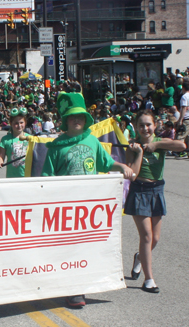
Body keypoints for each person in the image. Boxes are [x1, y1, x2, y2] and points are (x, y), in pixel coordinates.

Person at [41, 91, 135, 308]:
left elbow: (105, 163)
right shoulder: (56, 146)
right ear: (66, 120)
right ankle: (71, 288)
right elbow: (46, 177)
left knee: (85, 245)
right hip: (64, 205)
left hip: (88, 206)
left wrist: (121, 166)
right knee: (67, 247)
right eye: (73, 116)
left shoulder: (93, 141)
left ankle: (79, 286)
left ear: (85, 120)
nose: (77, 120)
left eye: (81, 116)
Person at [125, 110, 185, 293]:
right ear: (136, 127)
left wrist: (157, 144)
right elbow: (132, 176)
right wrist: (139, 152)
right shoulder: (131, 147)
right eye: (141, 125)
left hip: (157, 190)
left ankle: (139, 257)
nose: (145, 128)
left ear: (155, 125)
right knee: (146, 236)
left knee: (155, 238)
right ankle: (149, 279)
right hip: (139, 191)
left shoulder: (161, 142)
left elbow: (182, 146)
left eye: (148, 124)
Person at [0, 107, 29, 178]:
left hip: (27, 176)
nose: (19, 125)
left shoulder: (30, 138)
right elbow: (1, 156)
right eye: (16, 123)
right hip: (12, 176)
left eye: (21, 122)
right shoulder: (5, 139)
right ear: (10, 123)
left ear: (25, 122)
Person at [175, 81, 189, 158]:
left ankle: (181, 152)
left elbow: (184, 108)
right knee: (187, 136)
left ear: (183, 88)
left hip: (186, 118)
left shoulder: (184, 96)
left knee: (181, 136)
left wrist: (180, 119)